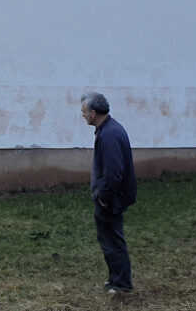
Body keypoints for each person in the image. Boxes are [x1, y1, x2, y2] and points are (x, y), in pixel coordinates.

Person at [80, 92, 137, 294]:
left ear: (93, 113)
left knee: (112, 240)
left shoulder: (109, 135)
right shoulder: (108, 129)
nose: (83, 115)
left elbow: (114, 173)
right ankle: (116, 279)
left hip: (110, 200)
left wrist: (103, 197)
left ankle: (121, 284)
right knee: (109, 239)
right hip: (111, 198)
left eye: (84, 111)